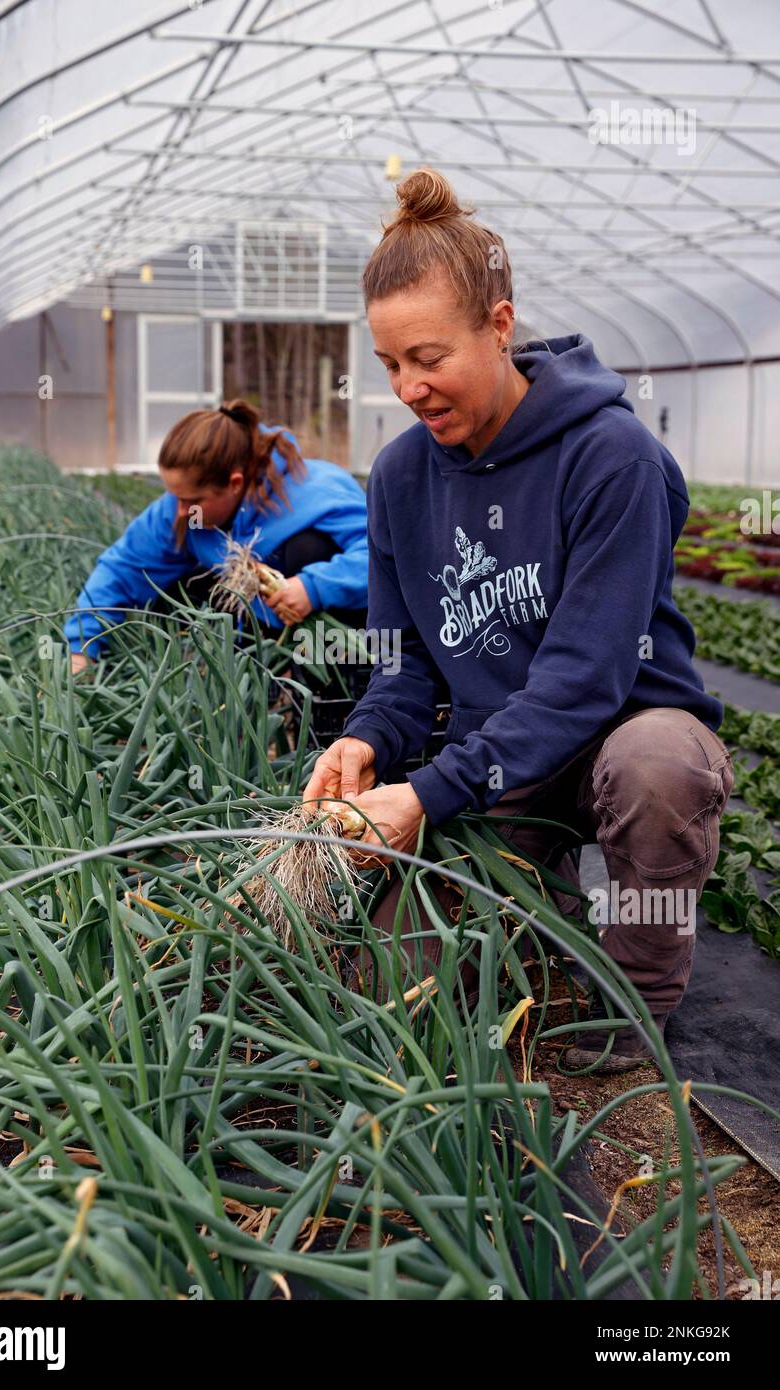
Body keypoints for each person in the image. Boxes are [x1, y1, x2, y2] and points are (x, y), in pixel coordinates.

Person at [303, 167, 735, 1074]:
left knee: (658, 766)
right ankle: (547, 925)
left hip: (622, 728)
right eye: (389, 365)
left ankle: (633, 1000)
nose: (409, 388)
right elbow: (403, 662)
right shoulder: (399, 478)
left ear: (499, 326)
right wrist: (370, 740)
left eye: (430, 358)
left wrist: (427, 796)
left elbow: (584, 681)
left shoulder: (611, 457)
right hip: (501, 755)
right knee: (395, 983)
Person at [65, 399, 369, 670]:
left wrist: (313, 587)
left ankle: (333, 688)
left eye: (192, 500)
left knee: (307, 548)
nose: (181, 511)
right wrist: (82, 647)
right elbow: (124, 567)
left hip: (338, 628)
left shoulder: (319, 490)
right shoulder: (181, 509)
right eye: (175, 496)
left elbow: (382, 557)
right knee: (166, 595)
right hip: (254, 623)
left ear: (234, 483)